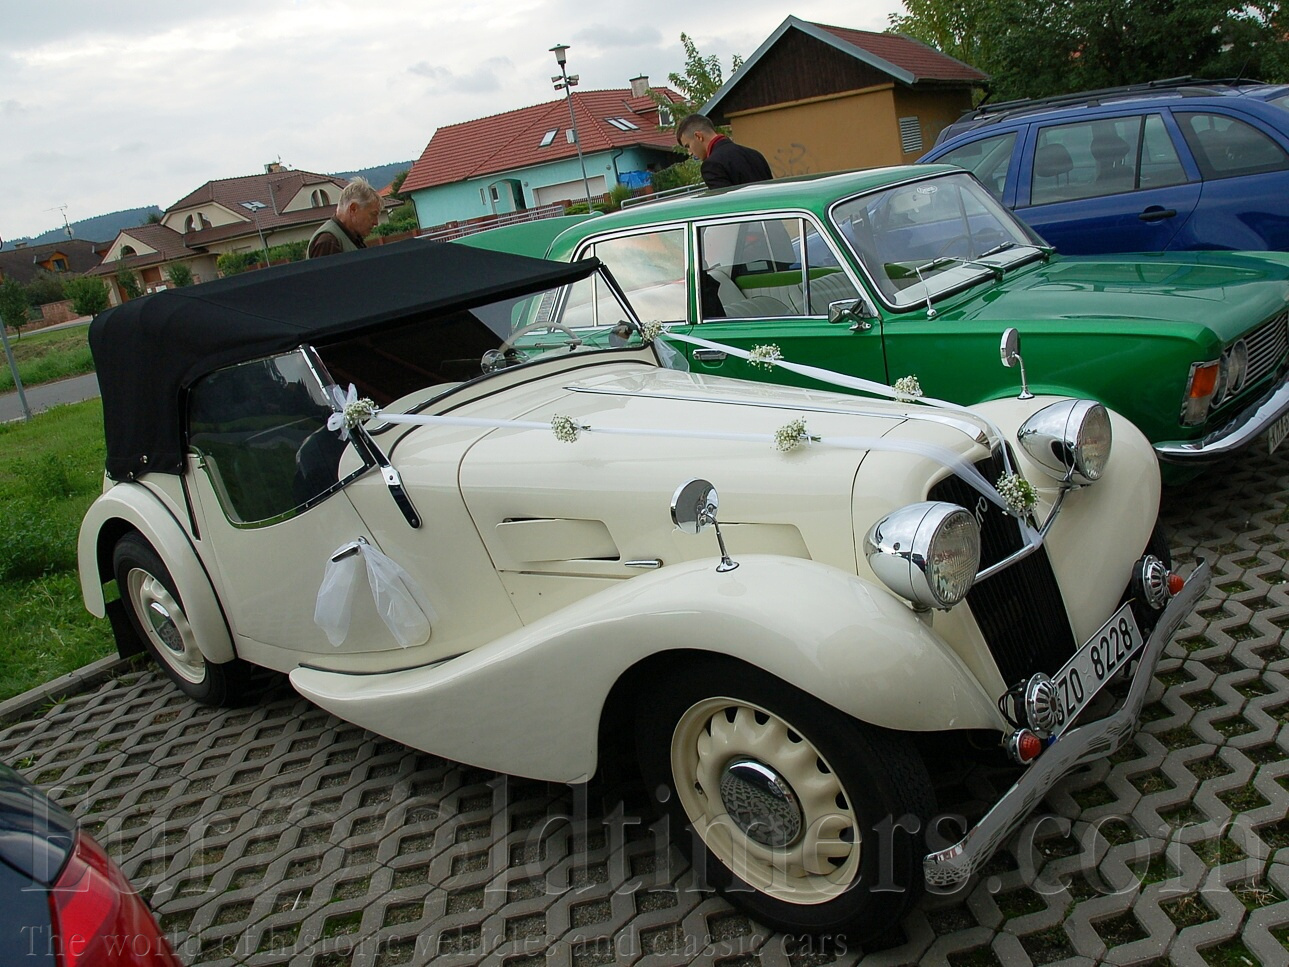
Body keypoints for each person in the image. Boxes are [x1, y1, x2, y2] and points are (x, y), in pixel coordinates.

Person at [676, 114, 772, 189]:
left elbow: (725, 205)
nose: (690, 152)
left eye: (688, 146)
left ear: (698, 136)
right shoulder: (754, 154)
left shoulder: (712, 166)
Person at [307, 178, 382, 258]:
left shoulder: (348, 237)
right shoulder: (328, 241)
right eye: (373, 214)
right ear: (353, 209)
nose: (376, 222)